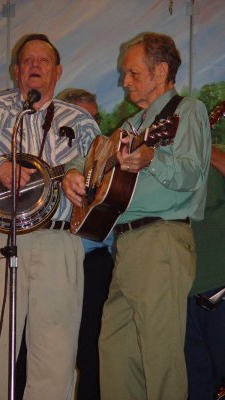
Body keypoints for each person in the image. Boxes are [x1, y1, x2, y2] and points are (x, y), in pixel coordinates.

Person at [0, 34, 101, 400]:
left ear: (58, 71)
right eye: (27, 61)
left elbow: (96, 161)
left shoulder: (79, 119)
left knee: (55, 352)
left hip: (59, 240)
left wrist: (80, 175)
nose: (35, 66)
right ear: (16, 71)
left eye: (43, 61)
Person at [62, 32, 211, 400]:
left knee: (160, 359)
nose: (123, 81)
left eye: (132, 73)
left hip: (161, 241)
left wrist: (153, 158)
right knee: (115, 354)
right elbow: (93, 153)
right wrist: (73, 172)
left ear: (160, 71)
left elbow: (192, 173)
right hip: (126, 246)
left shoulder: (186, 111)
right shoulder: (131, 126)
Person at [56, 88, 114, 400]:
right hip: (58, 262)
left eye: (95, 118)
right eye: (82, 119)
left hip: (96, 263)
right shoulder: (53, 159)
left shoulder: (107, 157)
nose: (91, 126)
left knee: (94, 351)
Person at [185, 143, 225, 400]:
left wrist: (206, 147)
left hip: (218, 280)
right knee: (196, 382)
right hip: (181, 289)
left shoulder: (215, 151)